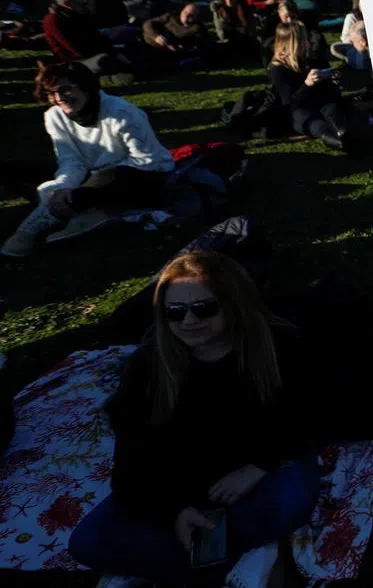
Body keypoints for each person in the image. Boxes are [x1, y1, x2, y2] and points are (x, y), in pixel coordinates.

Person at [67, 251, 319, 587]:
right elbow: (131, 460)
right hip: (181, 483)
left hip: (255, 475)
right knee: (87, 542)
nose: (189, 321)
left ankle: (195, 560)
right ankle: (224, 559)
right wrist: (174, 510)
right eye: (175, 312)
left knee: (290, 497)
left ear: (234, 303)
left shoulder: (277, 346)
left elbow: (309, 416)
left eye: (204, 308)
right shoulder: (149, 367)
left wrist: (259, 465)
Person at [0, 62, 174, 258]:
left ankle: (29, 230)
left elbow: (148, 160)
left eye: (66, 89)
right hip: (89, 176)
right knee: (11, 171)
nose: (59, 98)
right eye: (51, 93)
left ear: (85, 87)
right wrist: (62, 187)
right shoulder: (54, 115)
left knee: (106, 178)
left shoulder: (121, 112)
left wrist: (84, 185)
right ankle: (79, 208)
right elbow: (71, 161)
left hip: (143, 174)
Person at [267, 22, 361, 152]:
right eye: (303, 39)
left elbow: (328, 91)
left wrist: (331, 79)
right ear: (293, 43)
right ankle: (339, 143)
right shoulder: (278, 69)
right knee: (308, 120)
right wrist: (307, 84)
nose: (308, 42)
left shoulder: (310, 58)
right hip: (299, 110)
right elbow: (289, 104)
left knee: (333, 112)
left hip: (321, 102)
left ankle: (345, 135)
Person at [143, 3, 211, 63]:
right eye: (185, 12)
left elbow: (202, 45)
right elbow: (148, 24)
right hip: (149, 39)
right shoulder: (171, 16)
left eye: (191, 15)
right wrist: (156, 36)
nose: (186, 16)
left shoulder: (197, 29)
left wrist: (180, 48)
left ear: (196, 17)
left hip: (164, 51)